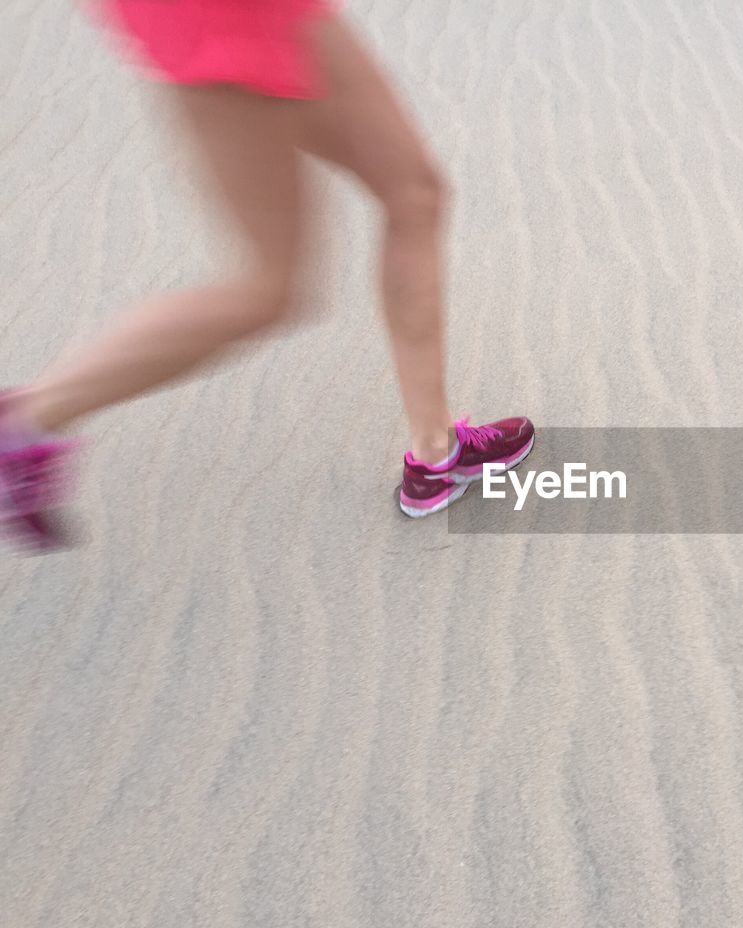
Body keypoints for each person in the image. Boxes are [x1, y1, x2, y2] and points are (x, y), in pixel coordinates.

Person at [0, 0, 533, 550]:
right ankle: (22, 424)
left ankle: (435, 455)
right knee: (268, 288)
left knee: (414, 194)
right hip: (214, 19)